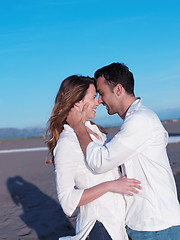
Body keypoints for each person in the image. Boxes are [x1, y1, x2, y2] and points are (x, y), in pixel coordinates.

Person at [67, 63, 180, 240]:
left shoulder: (140, 120)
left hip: (156, 225)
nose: (100, 101)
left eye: (102, 93)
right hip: (146, 224)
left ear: (118, 90)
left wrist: (78, 127)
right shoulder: (136, 120)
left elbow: (100, 163)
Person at [46, 75, 141, 240]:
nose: (98, 102)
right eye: (92, 97)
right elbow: (67, 202)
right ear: (78, 102)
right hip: (99, 226)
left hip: (119, 224)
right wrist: (110, 185)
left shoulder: (96, 132)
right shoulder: (67, 142)